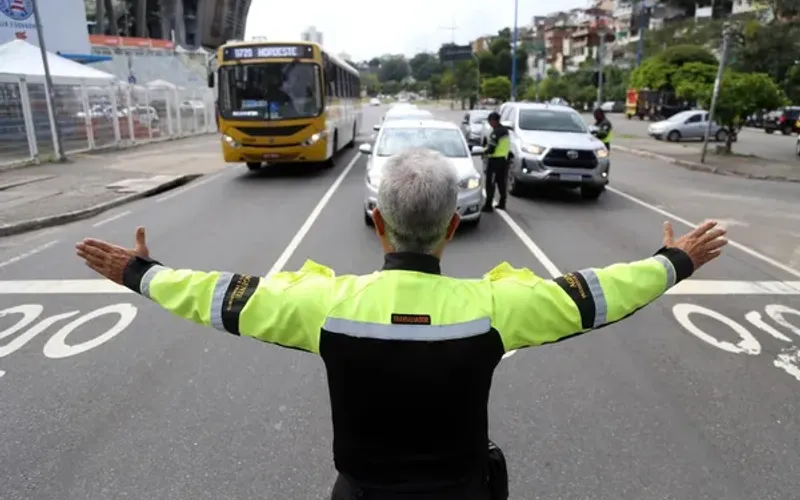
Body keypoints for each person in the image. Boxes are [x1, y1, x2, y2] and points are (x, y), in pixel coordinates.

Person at [75, 148, 728, 500]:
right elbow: (598, 293)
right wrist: (676, 259)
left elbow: (219, 297)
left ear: (379, 223)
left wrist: (139, 273)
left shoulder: (323, 306)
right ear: (451, 227)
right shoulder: (498, 309)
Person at [482, 111, 510, 213]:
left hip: (495, 161)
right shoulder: (505, 131)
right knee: (501, 183)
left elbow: (492, 149)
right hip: (504, 161)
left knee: (490, 183)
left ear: (494, 121)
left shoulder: (496, 132)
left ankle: (488, 205)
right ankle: (502, 203)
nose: (490, 123)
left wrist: (484, 151)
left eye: (490, 121)